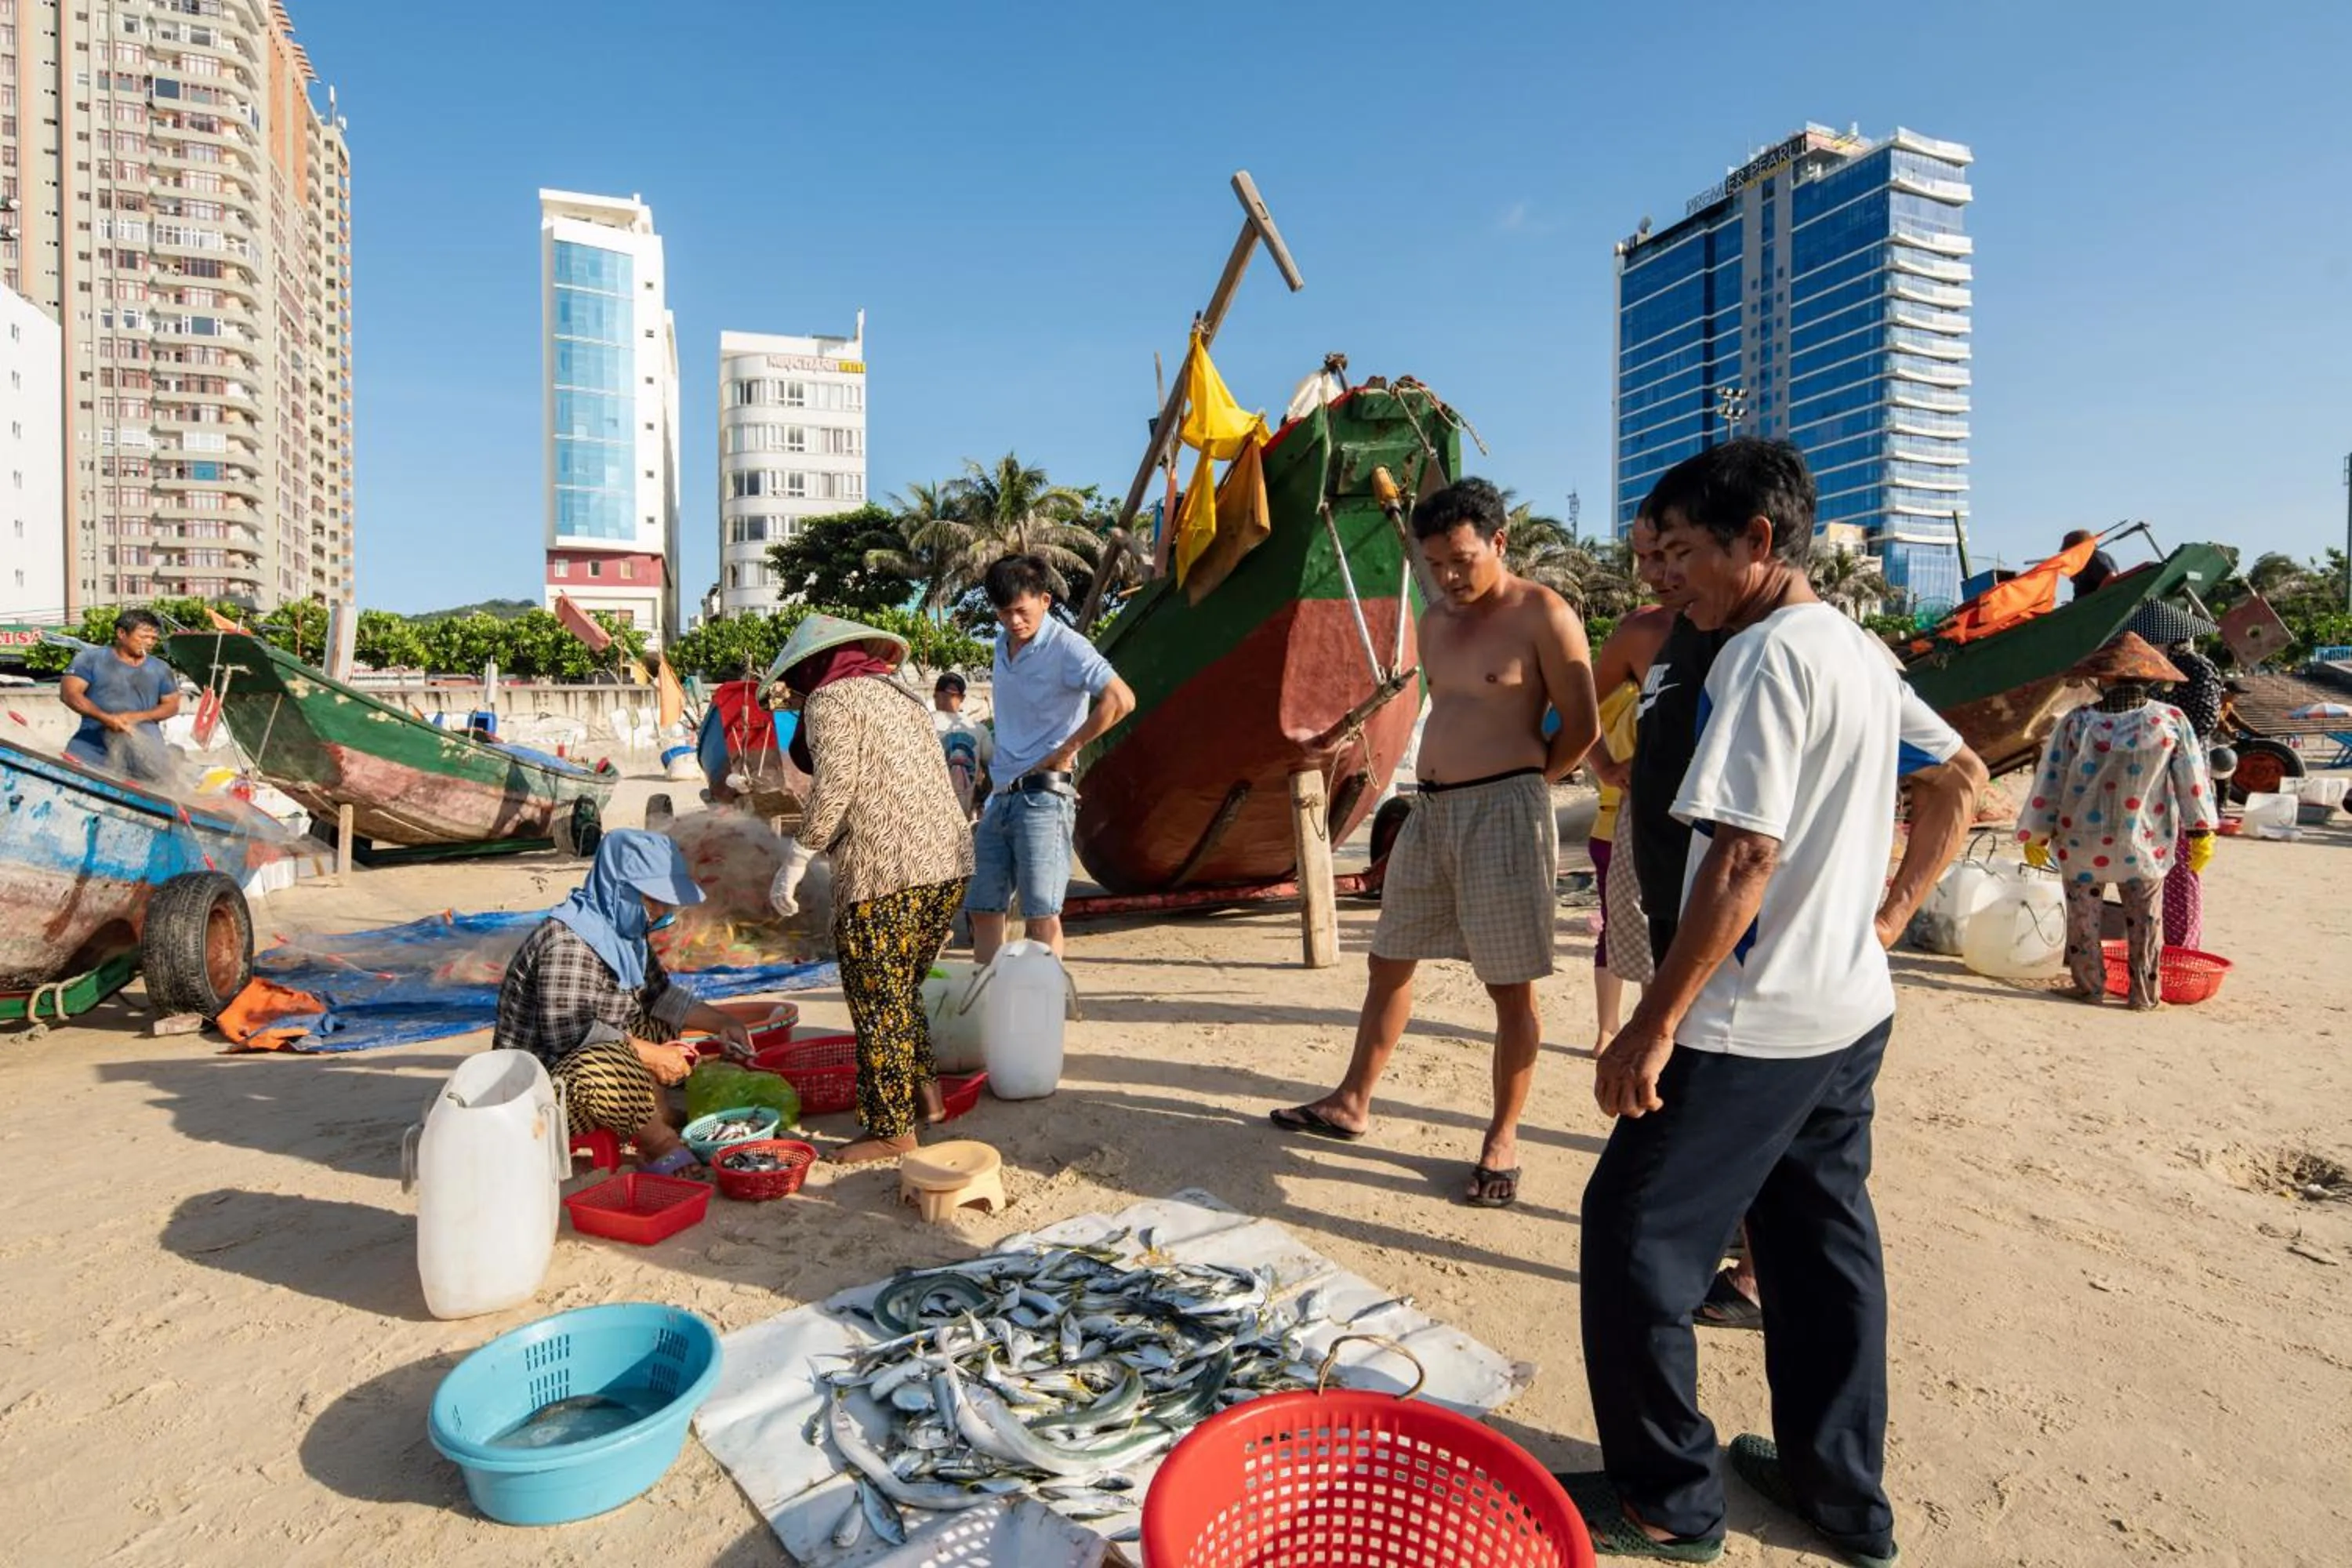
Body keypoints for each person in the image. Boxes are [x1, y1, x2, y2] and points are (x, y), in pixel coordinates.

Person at [1562, 439, 1986, 1566]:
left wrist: (1653, 1025)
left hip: (1752, 1025)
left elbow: (1745, 857)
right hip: (1847, 1009)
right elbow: (1959, 778)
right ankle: (1837, 1494)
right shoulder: (1855, 647)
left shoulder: (1760, 659)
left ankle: (1668, 1499)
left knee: (1637, 1236)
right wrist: (1885, 921)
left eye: (1686, 554)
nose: (1667, 579)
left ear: (1760, 541)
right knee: (1816, 1249)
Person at [1270, 477, 1600, 1210]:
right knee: (1388, 960)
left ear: (1499, 542)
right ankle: (1353, 1099)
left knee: (1509, 986)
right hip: (1431, 811)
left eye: (1462, 560)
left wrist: (1526, 782)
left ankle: (1502, 1140)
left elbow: (1583, 727)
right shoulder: (1437, 618)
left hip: (1505, 811)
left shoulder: (1543, 614)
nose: (1449, 577)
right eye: (1437, 564)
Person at [766, 615, 976, 1163]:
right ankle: (926, 1098)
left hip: (885, 872)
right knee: (902, 989)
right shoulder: (902, 695)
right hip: (949, 866)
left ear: (811, 667)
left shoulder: (829, 700)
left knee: (877, 1001)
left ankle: (891, 1129)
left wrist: (797, 856)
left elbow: (835, 784)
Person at [493, 830, 757, 1175]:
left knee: (655, 1023)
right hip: (541, 1095)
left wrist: (724, 1023)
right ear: (619, 889)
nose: (662, 912)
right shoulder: (569, 943)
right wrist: (655, 1055)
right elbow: (570, 1036)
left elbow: (659, 996)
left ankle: (655, 1114)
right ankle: (660, 1144)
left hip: (598, 1052)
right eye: (653, 900)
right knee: (604, 1064)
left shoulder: (625, 933)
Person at [2017, 633, 2216, 1010]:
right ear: (2151, 679)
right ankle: (2144, 994)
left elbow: (2051, 779)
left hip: (2081, 841)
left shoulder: (2077, 722)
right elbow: (2192, 779)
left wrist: (2036, 831)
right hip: (2143, 842)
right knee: (2146, 921)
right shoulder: (2170, 720)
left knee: (2083, 918)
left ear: (2104, 679)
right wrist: (2201, 829)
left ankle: (2089, 986)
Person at [964, 555, 1135, 963]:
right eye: (1004, 613)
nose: (1014, 622)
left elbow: (1122, 699)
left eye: (1021, 611)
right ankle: (991, 1000)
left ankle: (1040, 1008)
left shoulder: (1068, 646)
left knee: (1042, 912)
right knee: (983, 907)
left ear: (1044, 600)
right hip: (1000, 797)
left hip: (1044, 798)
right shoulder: (1001, 646)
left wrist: (1068, 749)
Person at [1583, 512, 1682, 1046]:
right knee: (1647, 945)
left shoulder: (1758, 628)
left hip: (1730, 827)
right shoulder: (1642, 633)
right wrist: (1602, 763)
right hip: (1642, 821)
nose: (1652, 572)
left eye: (1666, 554)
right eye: (1643, 557)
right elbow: (1578, 709)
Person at [61, 608, 183, 781]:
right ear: (121, 633)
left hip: (146, 756)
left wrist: (136, 717)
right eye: (143, 636)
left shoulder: (161, 668)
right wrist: (106, 719)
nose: (149, 642)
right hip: (92, 749)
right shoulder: (89, 659)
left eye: (154, 638)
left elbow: (172, 705)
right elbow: (70, 694)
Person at [2161, 638, 2226, 949]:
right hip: (2151, 785)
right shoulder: (2153, 668)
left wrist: (2162, 710)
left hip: (2184, 783)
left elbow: (2204, 720)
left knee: (2180, 872)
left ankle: (2181, 949)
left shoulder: (2196, 667)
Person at [932, 671, 995, 819]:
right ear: (963, 698)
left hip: (929, 815)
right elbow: (994, 770)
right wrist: (981, 799)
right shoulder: (978, 730)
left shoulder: (923, 722)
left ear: (935, 695)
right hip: (963, 817)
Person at [2063, 528, 2118, 598]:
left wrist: (2095, 599)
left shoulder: (2093, 557)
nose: (2068, 554)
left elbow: (2110, 577)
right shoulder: (2083, 563)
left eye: (2070, 550)